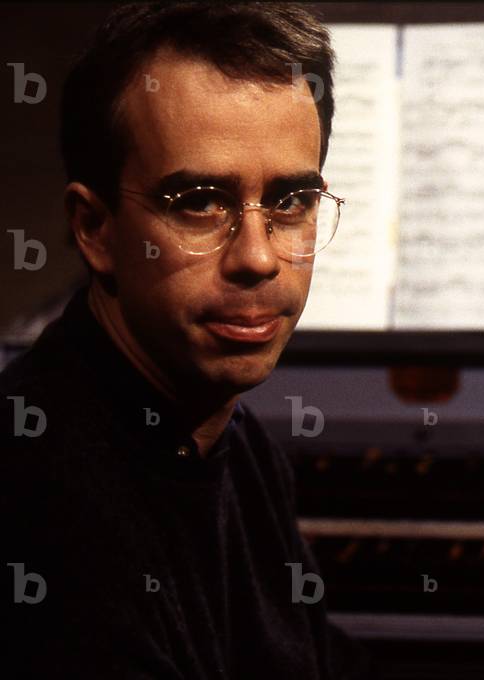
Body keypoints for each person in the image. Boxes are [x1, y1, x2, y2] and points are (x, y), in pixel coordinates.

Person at [0, 3, 370, 677]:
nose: (257, 257)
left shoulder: (239, 441)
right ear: (96, 229)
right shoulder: (37, 500)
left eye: (290, 201)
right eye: (199, 201)